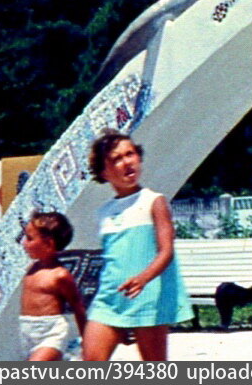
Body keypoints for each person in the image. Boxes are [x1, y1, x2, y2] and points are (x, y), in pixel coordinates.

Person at [81, 131, 190, 362]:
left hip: (148, 297)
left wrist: (143, 278)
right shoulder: (104, 212)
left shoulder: (153, 201)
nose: (126, 162)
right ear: (104, 172)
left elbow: (166, 251)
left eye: (130, 154)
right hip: (110, 300)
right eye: (116, 159)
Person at [19, 211, 86, 360]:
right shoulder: (32, 268)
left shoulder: (60, 275)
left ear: (48, 244)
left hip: (51, 334)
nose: (24, 243)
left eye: (29, 238)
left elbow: (78, 307)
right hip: (27, 333)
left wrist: (86, 341)